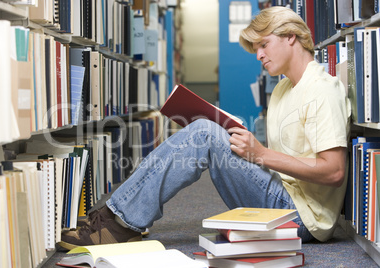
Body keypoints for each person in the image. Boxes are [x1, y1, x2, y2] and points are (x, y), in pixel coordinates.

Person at [59, 6, 351, 250]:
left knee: (204, 133)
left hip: (303, 220)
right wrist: (233, 131)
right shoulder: (284, 88)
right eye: (256, 48)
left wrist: (260, 154)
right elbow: (285, 155)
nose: (259, 55)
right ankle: (118, 218)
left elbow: (334, 171)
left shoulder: (321, 90)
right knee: (210, 128)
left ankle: (119, 222)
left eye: (264, 44)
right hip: (283, 195)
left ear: (290, 37)